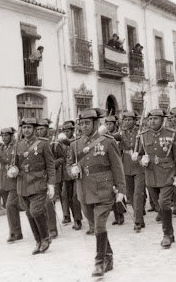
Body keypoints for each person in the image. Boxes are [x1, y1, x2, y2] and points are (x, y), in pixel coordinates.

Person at [67, 108, 126, 277]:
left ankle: (99, 263)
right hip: (84, 191)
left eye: (87, 123)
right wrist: (72, 171)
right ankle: (108, 256)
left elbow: (117, 166)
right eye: (81, 123)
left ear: (95, 123)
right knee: (95, 227)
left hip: (104, 191)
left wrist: (121, 189)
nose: (84, 126)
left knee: (99, 226)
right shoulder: (74, 144)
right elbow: (69, 165)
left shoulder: (108, 141)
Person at [138, 108, 176, 248]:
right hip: (151, 175)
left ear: (162, 120)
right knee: (159, 206)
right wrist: (142, 160)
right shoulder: (143, 135)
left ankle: (167, 234)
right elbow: (140, 154)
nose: (152, 121)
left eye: (155, 119)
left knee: (164, 203)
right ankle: (170, 232)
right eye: (150, 119)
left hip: (167, 175)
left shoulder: (171, 134)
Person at [15, 117, 56, 255]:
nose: (26, 130)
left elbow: (50, 164)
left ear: (34, 129)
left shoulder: (43, 143)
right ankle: (38, 241)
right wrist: (12, 169)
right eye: (24, 127)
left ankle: (45, 237)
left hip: (38, 182)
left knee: (36, 211)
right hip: (23, 184)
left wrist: (51, 184)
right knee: (29, 213)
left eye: (29, 127)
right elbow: (14, 163)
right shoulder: (18, 145)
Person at [112, 111, 146, 232]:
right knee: (131, 195)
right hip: (126, 166)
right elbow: (111, 136)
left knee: (138, 194)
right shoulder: (121, 133)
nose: (127, 122)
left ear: (135, 121)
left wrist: (140, 153)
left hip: (139, 165)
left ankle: (137, 221)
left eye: (129, 120)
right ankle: (139, 217)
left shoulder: (141, 132)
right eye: (125, 120)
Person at [36, 118, 61, 239]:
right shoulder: (36, 144)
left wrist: (53, 164)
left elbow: (61, 158)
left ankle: (52, 229)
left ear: (47, 130)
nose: (40, 131)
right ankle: (44, 228)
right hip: (38, 177)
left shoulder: (54, 143)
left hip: (50, 175)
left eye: (42, 129)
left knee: (49, 202)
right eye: (38, 129)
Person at [59, 121, 83, 231]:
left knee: (75, 197)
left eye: (67, 131)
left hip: (76, 171)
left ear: (72, 131)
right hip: (65, 173)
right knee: (65, 196)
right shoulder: (59, 143)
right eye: (64, 131)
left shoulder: (77, 141)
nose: (65, 133)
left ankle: (77, 220)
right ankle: (67, 216)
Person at [104, 115, 126, 226]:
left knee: (119, 189)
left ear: (115, 124)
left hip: (120, 164)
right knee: (112, 191)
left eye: (110, 124)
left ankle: (121, 215)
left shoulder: (119, 134)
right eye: (106, 124)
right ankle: (116, 215)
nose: (108, 126)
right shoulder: (105, 137)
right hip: (109, 166)